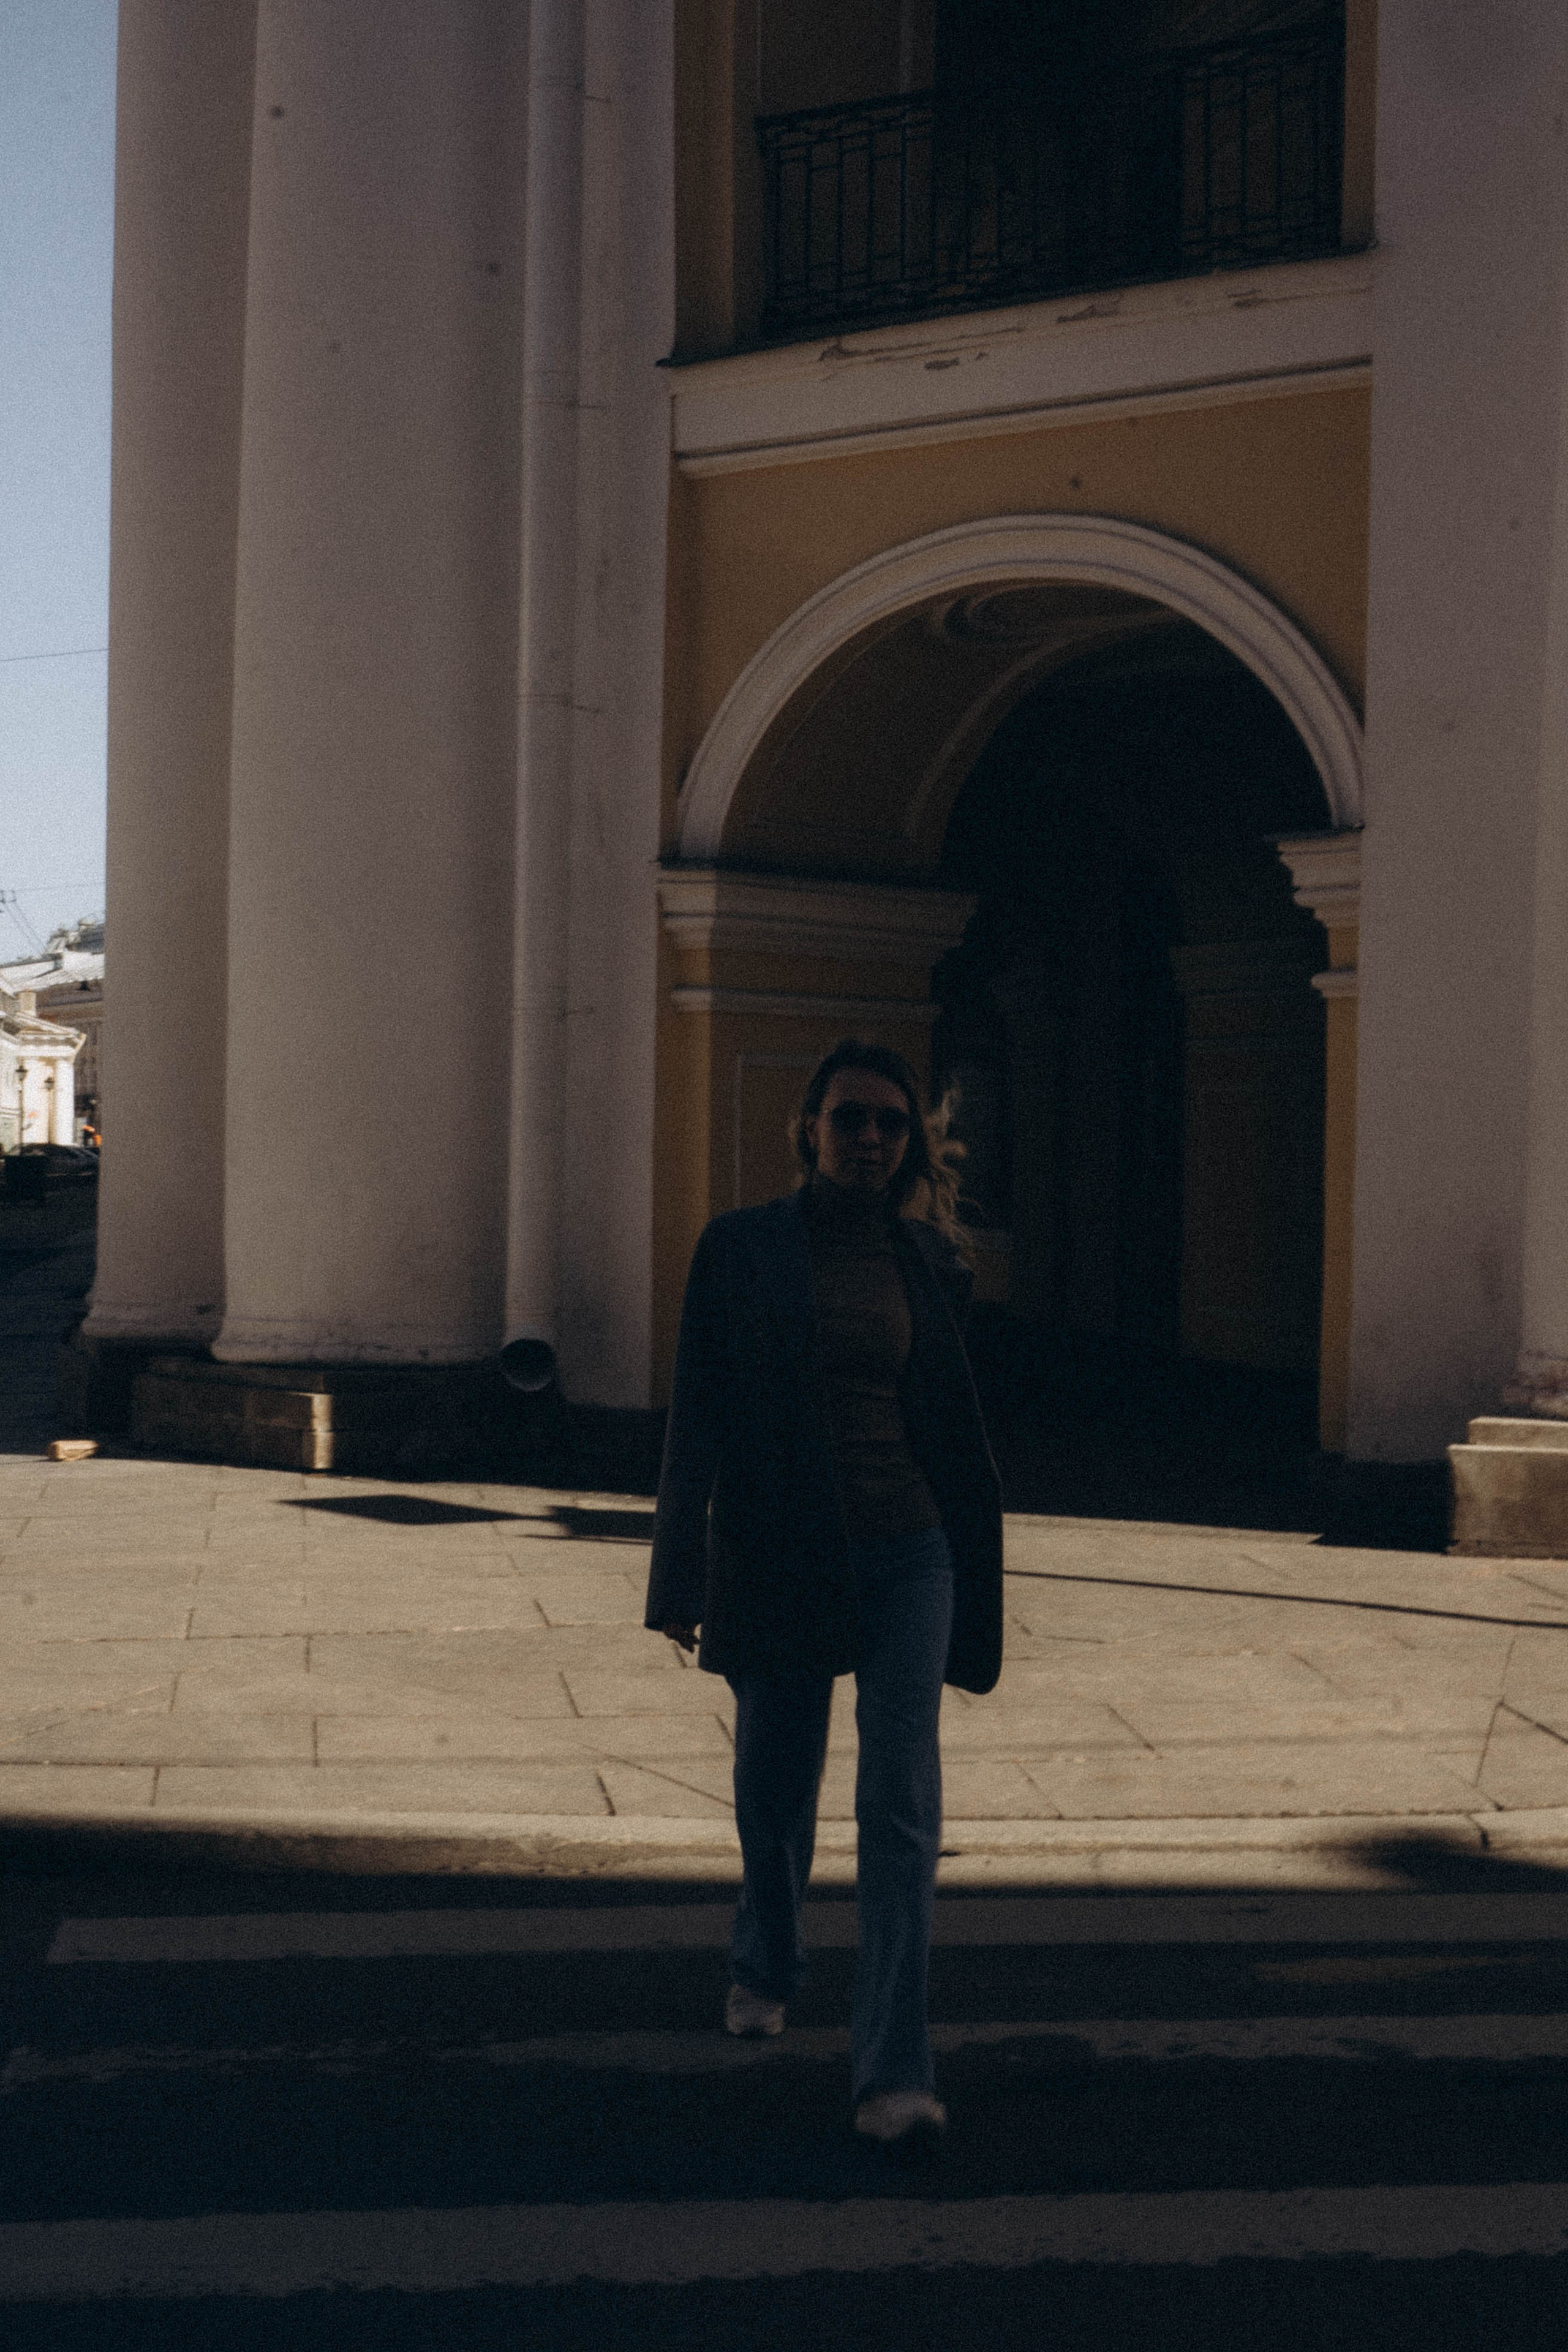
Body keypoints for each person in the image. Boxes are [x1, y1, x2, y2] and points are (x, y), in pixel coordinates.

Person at [645, 1038, 1003, 2153]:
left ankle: (894, 2074)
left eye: (891, 1123)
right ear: (808, 1128)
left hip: (910, 1552)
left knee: (899, 1804)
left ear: (911, 1144)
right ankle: (767, 1957)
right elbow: (698, 1411)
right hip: (781, 1548)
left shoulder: (928, 1260)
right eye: (850, 1117)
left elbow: (944, 1413)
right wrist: (678, 1570)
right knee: (775, 1789)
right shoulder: (739, 1248)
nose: (870, 1138)